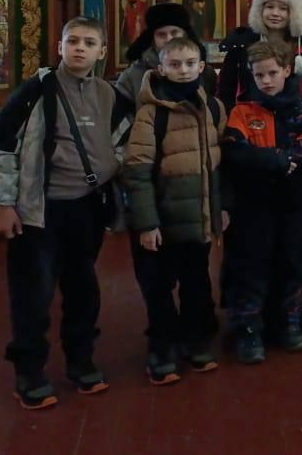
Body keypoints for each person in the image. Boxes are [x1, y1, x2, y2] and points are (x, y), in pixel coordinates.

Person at [0, 17, 131, 409]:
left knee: (83, 289)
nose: (80, 48)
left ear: (102, 51)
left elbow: (125, 137)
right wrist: (1, 203)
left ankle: (81, 361)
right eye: (73, 41)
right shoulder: (35, 91)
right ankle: (30, 371)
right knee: (34, 293)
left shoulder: (108, 94)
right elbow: (1, 144)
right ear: (60, 46)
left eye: (89, 42)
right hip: (39, 210)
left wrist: (112, 164)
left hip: (88, 209)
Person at [121, 36, 227, 385]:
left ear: (202, 67)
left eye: (190, 64)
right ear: (161, 68)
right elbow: (137, 172)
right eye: (175, 64)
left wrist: (220, 209)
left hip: (198, 218)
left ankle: (194, 341)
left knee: (196, 284)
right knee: (158, 288)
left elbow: (218, 165)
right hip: (162, 222)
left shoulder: (213, 108)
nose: (183, 70)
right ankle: (162, 348)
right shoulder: (150, 113)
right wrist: (147, 223)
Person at [221, 40, 302, 363]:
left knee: (292, 262)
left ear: (287, 71)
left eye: (272, 73)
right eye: (259, 75)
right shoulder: (242, 111)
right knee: (251, 266)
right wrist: (277, 160)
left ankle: (287, 322)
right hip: (253, 205)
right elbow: (235, 152)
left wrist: (268, 158)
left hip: (293, 203)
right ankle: (248, 328)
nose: (265, 80)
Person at [218, 0, 302, 110]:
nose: (275, 13)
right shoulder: (242, 43)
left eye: (283, 9)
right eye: (270, 7)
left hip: (295, 116)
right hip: (249, 115)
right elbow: (226, 88)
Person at [116, 3, 217, 106]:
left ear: (185, 35)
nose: (169, 39)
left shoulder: (206, 74)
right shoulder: (132, 76)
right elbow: (120, 113)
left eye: (174, 33)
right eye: (161, 35)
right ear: (152, 39)